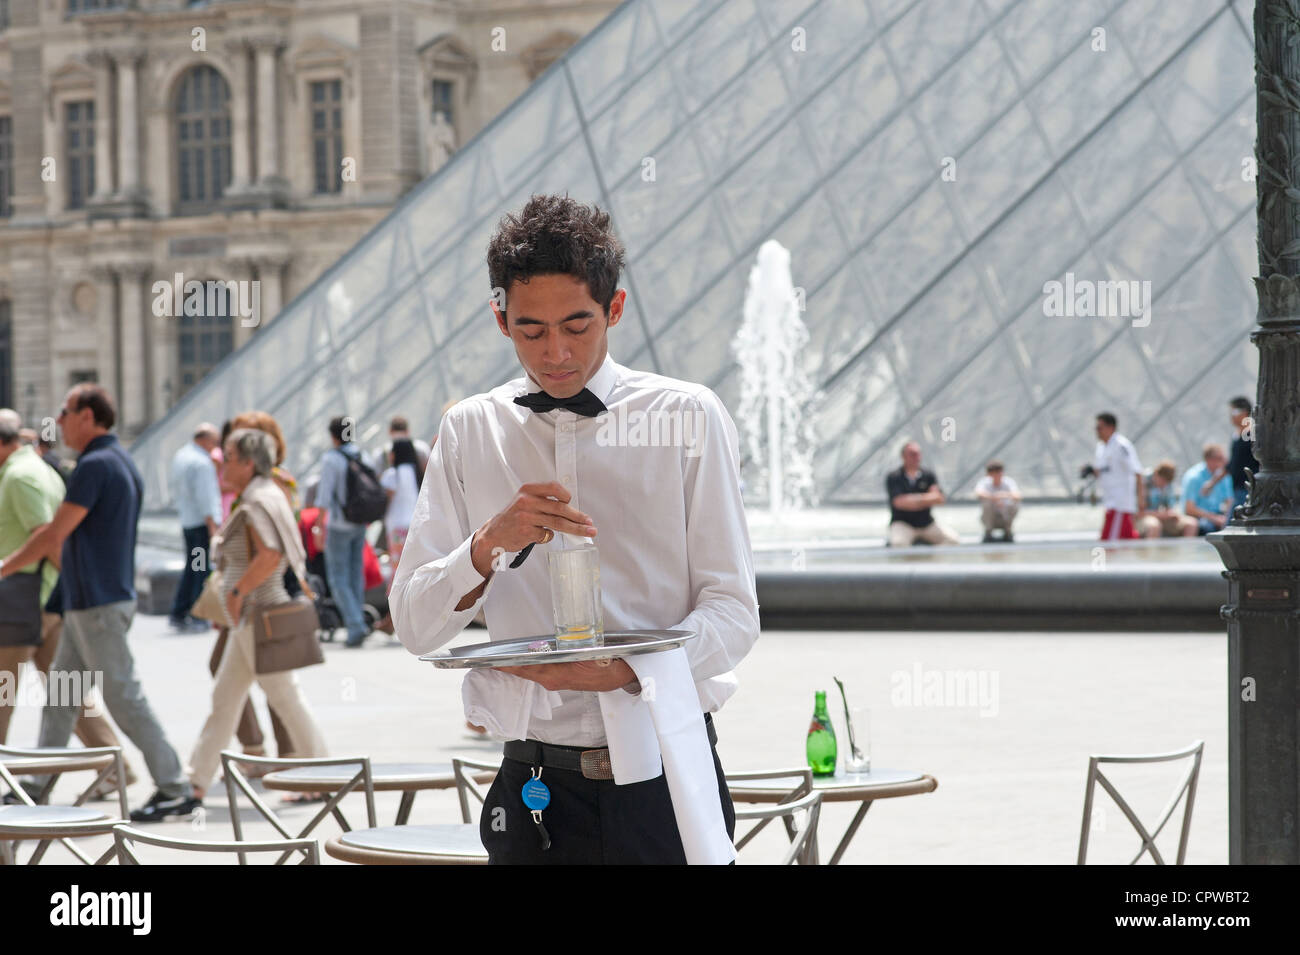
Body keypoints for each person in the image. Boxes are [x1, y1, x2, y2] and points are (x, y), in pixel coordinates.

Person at [391, 194, 755, 864]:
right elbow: (414, 623)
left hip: (664, 774)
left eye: (577, 325)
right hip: (531, 786)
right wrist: (485, 546)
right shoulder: (470, 429)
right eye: (531, 330)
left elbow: (734, 612)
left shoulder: (690, 417)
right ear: (500, 319)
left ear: (614, 310)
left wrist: (622, 671)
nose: (555, 352)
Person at [0, 385, 197, 821]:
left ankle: (174, 786)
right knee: (61, 697)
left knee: (123, 696)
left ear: (88, 416)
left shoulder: (94, 465)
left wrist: (3, 568)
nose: (61, 420)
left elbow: (53, 535)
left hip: (97, 605)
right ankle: (35, 785)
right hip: (93, 601)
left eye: (66, 412)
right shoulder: (121, 460)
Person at [187, 429, 328, 801]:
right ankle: (196, 780)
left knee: (283, 698)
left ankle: (324, 775)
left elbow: (270, 555)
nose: (222, 463)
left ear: (248, 463)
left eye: (230, 457)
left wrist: (237, 591)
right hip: (252, 617)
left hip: (257, 614)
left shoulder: (257, 499)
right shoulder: (266, 493)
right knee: (227, 698)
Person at [211, 410, 302, 765]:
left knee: (277, 686)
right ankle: (268, 754)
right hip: (251, 596)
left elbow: (270, 549)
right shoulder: (261, 485)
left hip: (261, 597)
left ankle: (290, 757)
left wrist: (238, 590)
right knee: (265, 685)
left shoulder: (270, 486)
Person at [313, 417, 372, 647]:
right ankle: (358, 620)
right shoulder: (361, 455)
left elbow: (324, 496)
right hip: (359, 523)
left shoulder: (331, 459)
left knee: (338, 578)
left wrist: (318, 526)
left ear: (333, 436)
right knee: (355, 574)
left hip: (338, 525)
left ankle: (355, 625)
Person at [167, 423, 223, 633]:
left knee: (192, 567)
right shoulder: (201, 463)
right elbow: (206, 497)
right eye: (215, 442)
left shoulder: (182, 456)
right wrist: (212, 526)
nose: (216, 447)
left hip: (188, 522)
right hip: (201, 525)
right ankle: (196, 612)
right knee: (199, 569)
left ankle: (179, 611)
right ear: (206, 439)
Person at [885, 441, 960, 547]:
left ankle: (934, 561)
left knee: (953, 540)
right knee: (898, 544)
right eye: (912, 454)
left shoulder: (928, 475)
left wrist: (913, 501)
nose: (917, 457)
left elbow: (939, 498)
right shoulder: (894, 477)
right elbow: (899, 502)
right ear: (903, 456)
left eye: (918, 454)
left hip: (926, 524)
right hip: (903, 523)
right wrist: (926, 499)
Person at [1083, 412, 1143, 541]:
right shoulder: (1101, 447)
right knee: (1116, 542)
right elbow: (1103, 470)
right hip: (1110, 504)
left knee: (1112, 543)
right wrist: (1090, 470)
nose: (1096, 431)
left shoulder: (1121, 446)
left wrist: (1141, 503)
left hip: (1121, 505)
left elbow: (1137, 472)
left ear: (1111, 427)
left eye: (1099, 428)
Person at [380, 438, 423, 576]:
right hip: (416, 526)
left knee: (399, 570)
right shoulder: (418, 473)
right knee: (416, 567)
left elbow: (384, 500)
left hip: (397, 529)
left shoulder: (392, 474)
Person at [1182, 443, 1234, 536]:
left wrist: (1227, 517)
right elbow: (1189, 509)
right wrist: (1213, 518)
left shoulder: (1224, 476)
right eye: (1219, 458)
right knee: (1207, 528)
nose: (1224, 462)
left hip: (1218, 515)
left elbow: (1229, 500)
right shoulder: (1194, 477)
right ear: (1209, 459)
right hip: (1200, 517)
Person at [1136, 460, 1197, 538]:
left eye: (1166, 482)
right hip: (1142, 519)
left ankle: (1188, 550)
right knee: (1154, 525)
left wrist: (1172, 514)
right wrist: (1161, 515)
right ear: (1156, 473)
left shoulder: (1168, 484)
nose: (1164, 485)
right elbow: (1138, 513)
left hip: (1161, 517)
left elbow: (1170, 506)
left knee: (1191, 523)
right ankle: (1151, 550)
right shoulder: (1142, 481)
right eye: (1162, 481)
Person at [973, 460, 1021, 543]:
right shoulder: (985, 482)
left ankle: (1008, 531)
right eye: (993, 473)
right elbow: (978, 493)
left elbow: (1017, 495)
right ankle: (988, 532)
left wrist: (1002, 495)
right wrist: (993, 498)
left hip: (1005, 516)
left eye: (998, 472)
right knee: (986, 503)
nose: (996, 475)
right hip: (990, 518)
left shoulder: (1008, 482)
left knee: (1014, 504)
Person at [1225, 396, 1258, 516]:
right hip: (1238, 488)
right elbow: (1232, 463)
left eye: (1234, 412)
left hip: (1249, 488)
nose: (1231, 416)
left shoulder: (1253, 434)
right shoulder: (1237, 436)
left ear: (1244, 412)